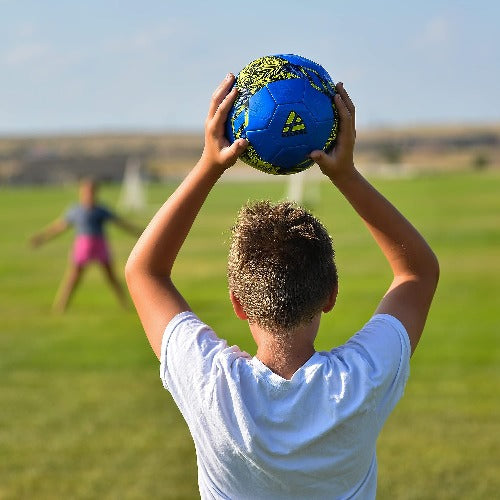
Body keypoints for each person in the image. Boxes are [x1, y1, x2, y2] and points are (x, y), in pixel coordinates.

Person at [125, 74, 439, 498]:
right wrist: (346, 174)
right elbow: (417, 271)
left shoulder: (214, 387)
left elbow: (144, 271)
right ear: (331, 294)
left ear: (238, 304)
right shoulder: (361, 381)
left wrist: (208, 165)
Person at [31, 177, 142, 312]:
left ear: (96, 192)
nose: (88, 194)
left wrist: (139, 232)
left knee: (111, 277)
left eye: (91, 191)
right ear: (81, 192)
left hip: (99, 245)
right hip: (82, 246)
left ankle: (125, 304)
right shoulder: (75, 210)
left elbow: (120, 223)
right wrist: (42, 238)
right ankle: (60, 306)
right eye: (86, 191)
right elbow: (59, 227)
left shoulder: (101, 210)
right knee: (73, 277)